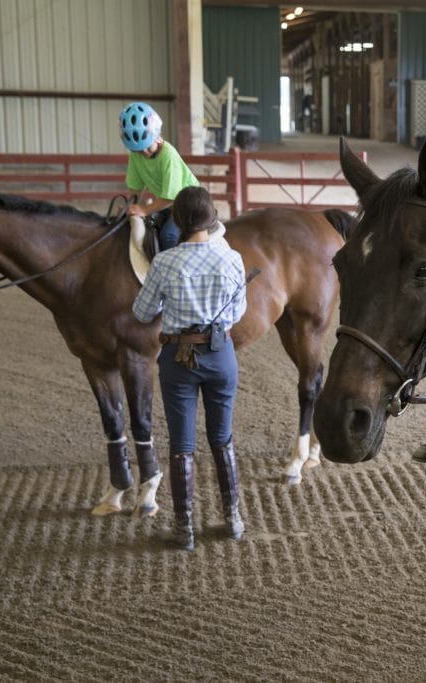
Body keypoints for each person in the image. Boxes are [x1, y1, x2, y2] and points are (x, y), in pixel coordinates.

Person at [132, 186, 248, 551]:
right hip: (221, 355)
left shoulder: (166, 262)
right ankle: (233, 519)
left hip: (179, 360)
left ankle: (185, 530)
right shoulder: (231, 258)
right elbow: (238, 312)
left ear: (178, 220)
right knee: (222, 439)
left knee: (182, 445)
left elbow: (142, 312)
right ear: (212, 218)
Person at [119, 101, 199, 251]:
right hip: (167, 204)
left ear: (157, 136)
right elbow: (135, 188)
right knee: (141, 225)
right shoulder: (135, 156)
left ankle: (173, 270)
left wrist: (144, 210)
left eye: (147, 147)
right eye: (138, 150)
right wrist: (130, 207)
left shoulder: (168, 155)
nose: (144, 153)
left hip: (187, 203)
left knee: (168, 235)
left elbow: (170, 197)